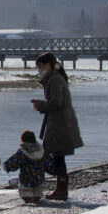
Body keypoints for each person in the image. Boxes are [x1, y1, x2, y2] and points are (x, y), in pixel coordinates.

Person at [31, 52, 83, 201]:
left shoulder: (54, 80)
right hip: (61, 122)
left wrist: (40, 105)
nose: (38, 70)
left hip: (60, 124)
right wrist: (42, 105)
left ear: (47, 65)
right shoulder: (56, 77)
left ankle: (60, 190)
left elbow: (56, 103)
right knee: (58, 156)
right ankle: (60, 188)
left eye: (39, 67)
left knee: (57, 156)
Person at [3, 129, 47, 204]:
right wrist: (54, 170)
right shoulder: (41, 151)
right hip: (40, 179)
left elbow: (14, 161)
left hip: (27, 180)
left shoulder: (22, 152)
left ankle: (29, 200)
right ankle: (36, 198)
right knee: (38, 191)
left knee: (25, 191)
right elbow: (48, 163)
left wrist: (7, 166)